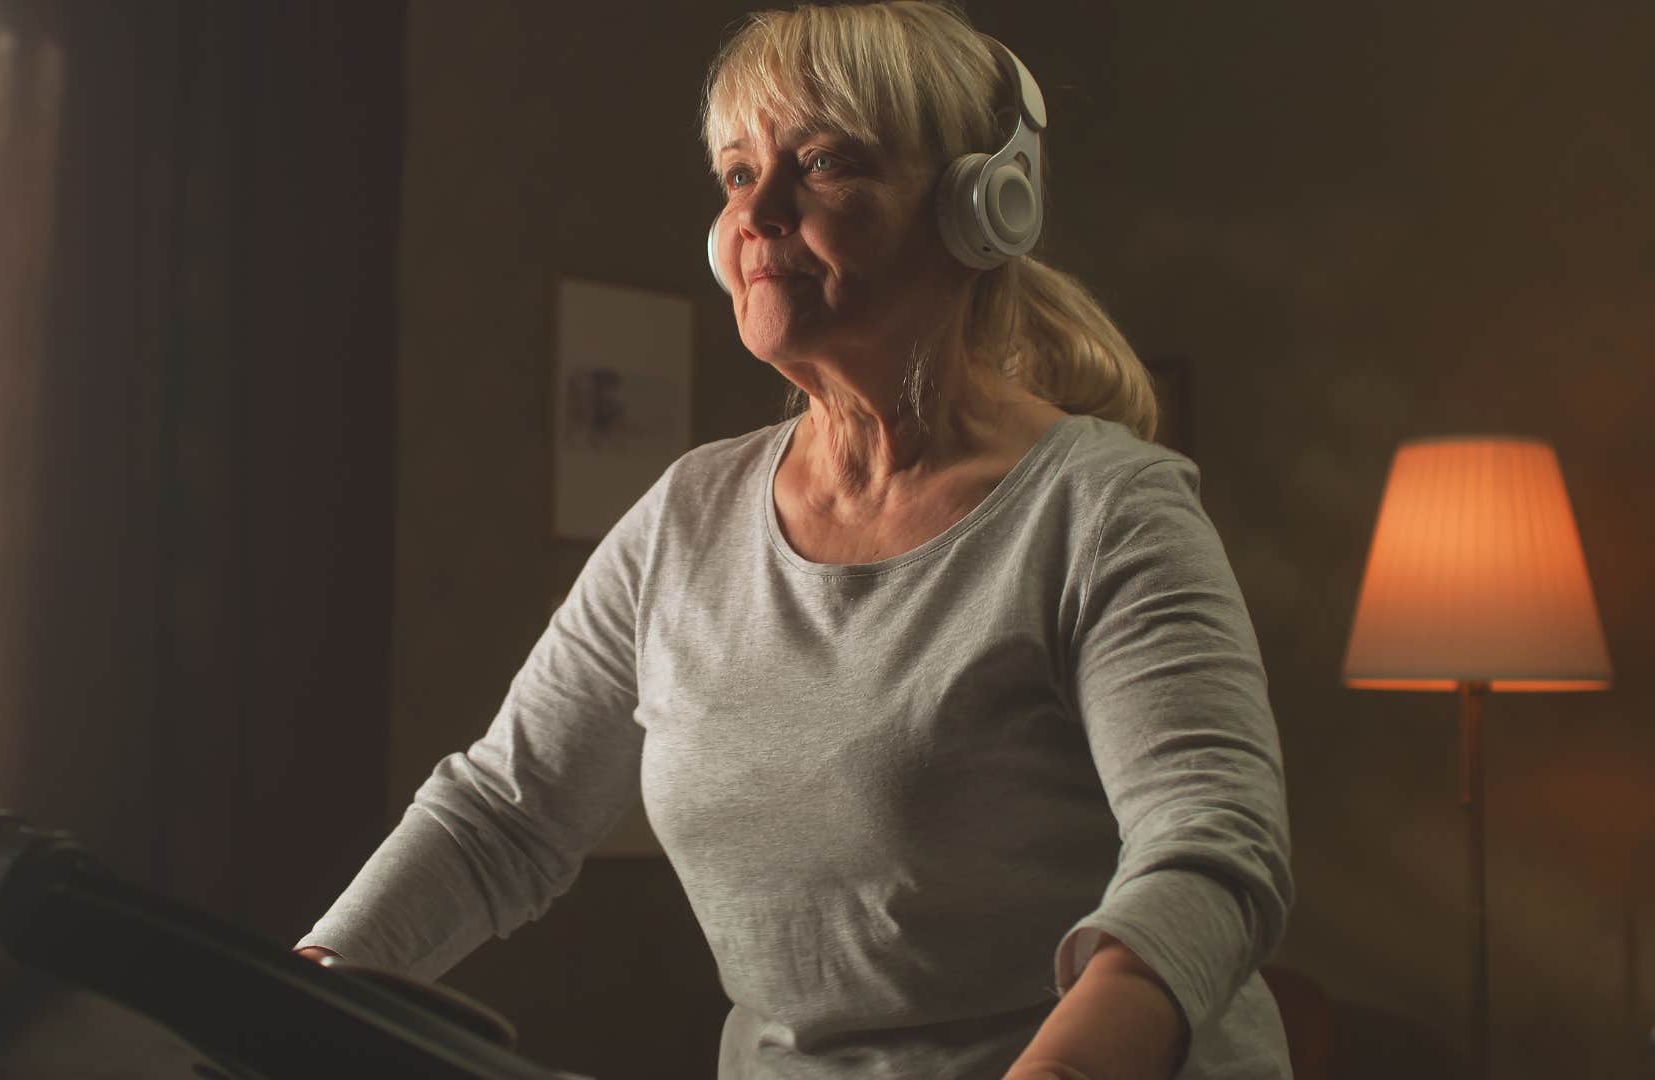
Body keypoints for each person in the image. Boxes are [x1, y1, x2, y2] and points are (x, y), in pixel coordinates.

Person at [298, 2, 1293, 1078]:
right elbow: (501, 817)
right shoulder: (685, 519)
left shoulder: (1106, 511)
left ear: (979, 210)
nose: (758, 210)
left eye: (820, 164)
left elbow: (1212, 852)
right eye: (736, 173)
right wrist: (298, 996)